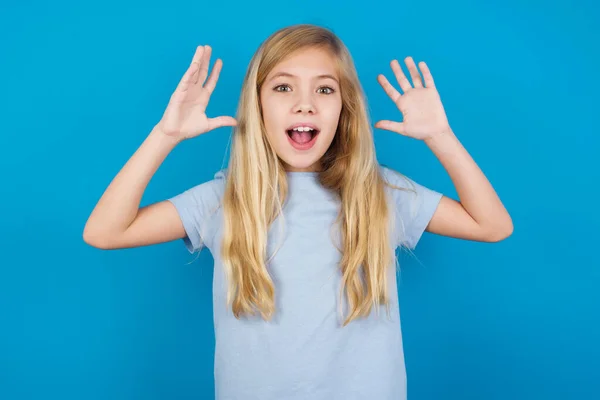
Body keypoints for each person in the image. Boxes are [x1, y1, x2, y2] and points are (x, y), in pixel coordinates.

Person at [83, 24, 513, 400]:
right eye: (283, 87)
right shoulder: (221, 199)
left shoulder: (381, 193)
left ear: (345, 109)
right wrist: (166, 134)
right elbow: (104, 232)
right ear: (258, 106)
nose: (304, 105)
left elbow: (492, 225)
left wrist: (440, 136)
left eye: (324, 89)